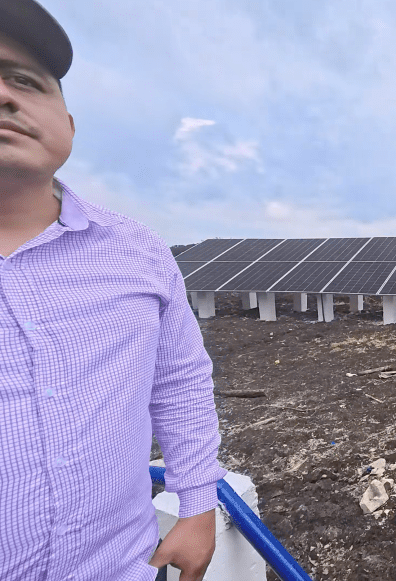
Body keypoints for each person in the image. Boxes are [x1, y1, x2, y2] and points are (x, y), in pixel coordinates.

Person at [0, 2, 225, 580]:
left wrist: (198, 503)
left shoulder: (138, 250)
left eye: (24, 81)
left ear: (69, 125)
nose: (3, 95)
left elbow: (179, 379)